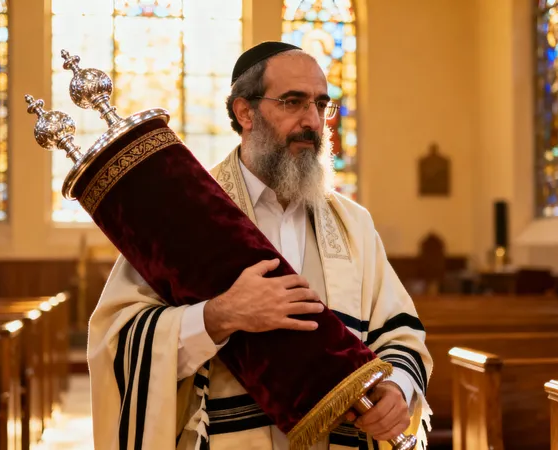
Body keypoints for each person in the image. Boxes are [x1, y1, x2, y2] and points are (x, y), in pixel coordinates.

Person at [87, 41, 432, 450]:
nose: (312, 122)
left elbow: (400, 333)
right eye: (292, 102)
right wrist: (219, 316)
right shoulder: (185, 216)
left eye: (321, 105)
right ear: (244, 112)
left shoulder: (353, 224)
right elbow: (118, 340)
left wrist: (396, 388)